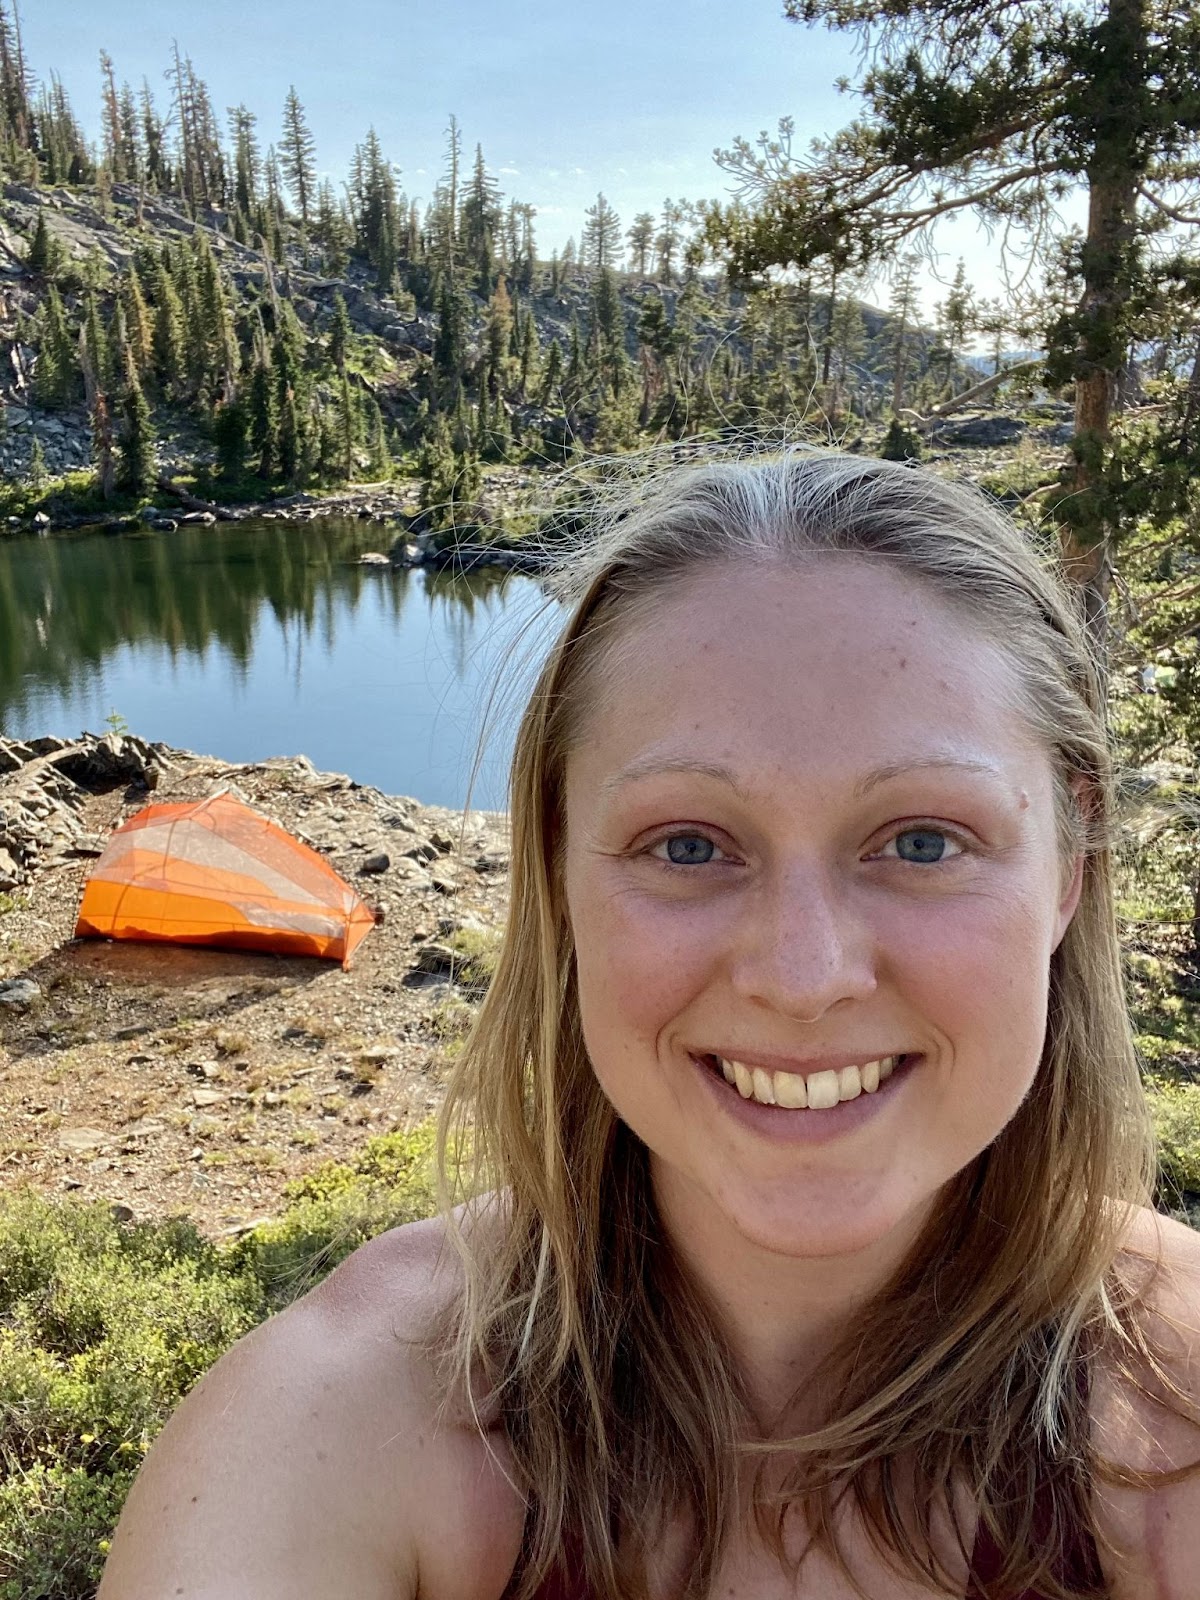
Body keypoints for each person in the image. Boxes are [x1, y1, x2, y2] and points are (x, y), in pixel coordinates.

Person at [98, 450, 1200, 1600]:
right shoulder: (332, 1432)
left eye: (922, 841)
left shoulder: (1178, 1440)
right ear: (559, 869)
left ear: (1071, 863)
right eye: (688, 845)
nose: (804, 974)